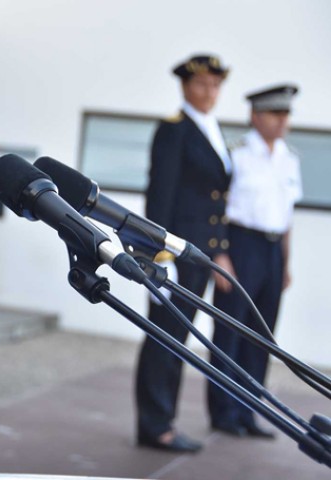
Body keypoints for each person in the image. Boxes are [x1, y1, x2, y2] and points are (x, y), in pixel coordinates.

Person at [135, 54, 232, 453]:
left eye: (215, 85)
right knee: (164, 338)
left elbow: (217, 202)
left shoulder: (211, 129)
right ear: (185, 87)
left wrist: (221, 251)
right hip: (174, 255)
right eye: (201, 85)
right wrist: (159, 258)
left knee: (179, 339)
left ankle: (164, 420)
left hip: (199, 255)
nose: (208, 92)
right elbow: (160, 199)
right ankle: (155, 425)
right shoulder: (174, 131)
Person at [206, 85, 301, 439]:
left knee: (262, 337)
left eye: (286, 114)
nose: (283, 121)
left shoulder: (289, 158)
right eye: (276, 114)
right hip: (239, 246)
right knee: (230, 331)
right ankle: (224, 412)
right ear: (255, 116)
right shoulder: (236, 155)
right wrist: (219, 254)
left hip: (273, 251)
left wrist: (286, 263)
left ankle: (249, 411)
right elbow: (216, 210)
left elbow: (287, 215)